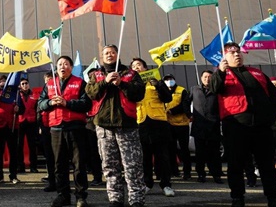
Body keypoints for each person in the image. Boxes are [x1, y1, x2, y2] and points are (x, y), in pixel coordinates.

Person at [210, 42, 276, 207]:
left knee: (267, 165)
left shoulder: (257, 73)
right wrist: (220, 71)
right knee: (236, 164)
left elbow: (274, 97)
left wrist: (270, 115)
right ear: (224, 56)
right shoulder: (221, 74)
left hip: (262, 127)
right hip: (236, 126)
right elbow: (214, 88)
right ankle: (237, 197)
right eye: (231, 53)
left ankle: (273, 197)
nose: (236, 55)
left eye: (238, 52)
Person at [85, 45, 146, 207]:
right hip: (104, 127)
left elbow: (139, 94)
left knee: (132, 165)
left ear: (117, 54)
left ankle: (136, 199)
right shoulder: (95, 74)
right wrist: (105, 82)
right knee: (110, 166)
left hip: (127, 126)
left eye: (112, 52)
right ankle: (115, 199)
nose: (109, 55)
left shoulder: (131, 74)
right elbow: (91, 93)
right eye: (106, 53)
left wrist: (121, 84)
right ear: (102, 56)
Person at [38, 55, 92, 207]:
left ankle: (81, 196)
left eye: (66, 64)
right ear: (56, 68)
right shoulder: (49, 84)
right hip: (55, 128)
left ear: (71, 66)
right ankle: (63, 195)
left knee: (78, 164)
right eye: (60, 64)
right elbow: (40, 103)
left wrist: (67, 103)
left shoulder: (80, 83)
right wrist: (49, 102)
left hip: (75, 128)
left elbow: (86, 104)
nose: (62, 66)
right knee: (59, 165)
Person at [131, 58, 174, 197]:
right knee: (145, 157)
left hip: (158, 122)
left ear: (145, 68)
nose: (136, 67)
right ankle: (147, 183)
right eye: (133, 66)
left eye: (139, 65)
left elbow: (168, 98)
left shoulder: (156, 81)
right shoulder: (132, 84)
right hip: (141, 122)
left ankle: (166, 184)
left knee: (163, 156)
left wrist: (159, 85)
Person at [0, 74, 24, 185]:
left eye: (4, 81)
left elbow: (23, 109)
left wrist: (18, 109)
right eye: (1, 81)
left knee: (13, 152)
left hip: (12, 125)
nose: (3, 83)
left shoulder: (16, 94)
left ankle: (13, 176)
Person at [190, 70, 223, 184]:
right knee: (200, 153)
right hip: (199, 126)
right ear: (201, 77)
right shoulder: (194, 89)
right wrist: (188, 114)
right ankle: (200, 174)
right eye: (205, 77)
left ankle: (216, 175)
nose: (207, 79)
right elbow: (185, 102)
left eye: (209, 77)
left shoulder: (217, 90)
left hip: (213, 126)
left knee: (214, 153)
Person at [164, 73, 192, 179]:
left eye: (171, 79)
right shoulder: (163, 91)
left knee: (184, 149)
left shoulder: (182, 90)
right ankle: (174, 171)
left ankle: (187, 172)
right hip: (169, 124)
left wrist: (172, 111)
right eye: (167, 79)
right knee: (171, 149)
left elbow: (185, 104)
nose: (169, 81)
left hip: (182, 124)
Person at [38, 72, 56, 192]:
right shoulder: (44, 92)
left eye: (51, 79)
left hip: (57, 126)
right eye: (47, 79)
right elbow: (39, 108)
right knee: (49, 155)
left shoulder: (59, 90)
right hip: (45, 127)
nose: (49, 81)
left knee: (60, 156)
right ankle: (52, 180)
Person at [18, 76, 39, 174]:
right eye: (23, 84)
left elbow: (37, 109)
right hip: (20, 122)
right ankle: (20, 166)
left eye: (26, 83)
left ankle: (33, 167)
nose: (25, 85)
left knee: (32, 146)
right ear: (20, 86)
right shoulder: (17, 95)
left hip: (31, 122)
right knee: (19, 145)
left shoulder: (34, 95)